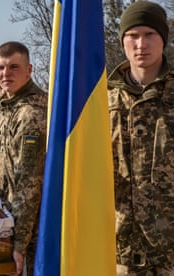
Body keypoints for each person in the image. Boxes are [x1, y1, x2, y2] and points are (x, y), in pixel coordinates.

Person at [107, 2, 174, 275]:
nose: (140, 44)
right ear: (123, 41)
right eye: (132, 36)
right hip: (119, 249)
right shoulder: (100, 101)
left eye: (149, 35)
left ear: (164, 39)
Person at [0, 42, 47, 276]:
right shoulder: (6, 109)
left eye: (14, 67)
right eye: (1, 68)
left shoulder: (31, 113)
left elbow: (29, 184)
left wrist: (19, 244)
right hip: (6, 225)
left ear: (29, 69)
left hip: (29, 234)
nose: (6, 73)